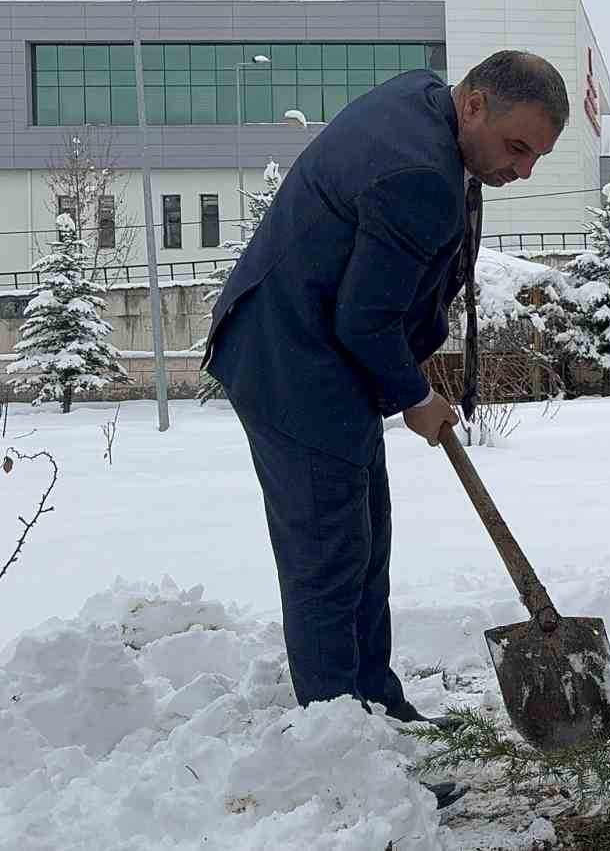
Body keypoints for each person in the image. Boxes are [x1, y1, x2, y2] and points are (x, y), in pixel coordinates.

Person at [204, 52, 568, 806]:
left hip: (318, 348)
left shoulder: (424, 102)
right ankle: (341, 754)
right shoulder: (418, 176)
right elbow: (364, 318)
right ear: (472, 105)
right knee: (330, 556)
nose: (524, 171)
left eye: (538, 155)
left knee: (364, 538)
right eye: (517, 148)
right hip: (291, 356)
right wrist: (415, 396)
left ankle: (379, 711)